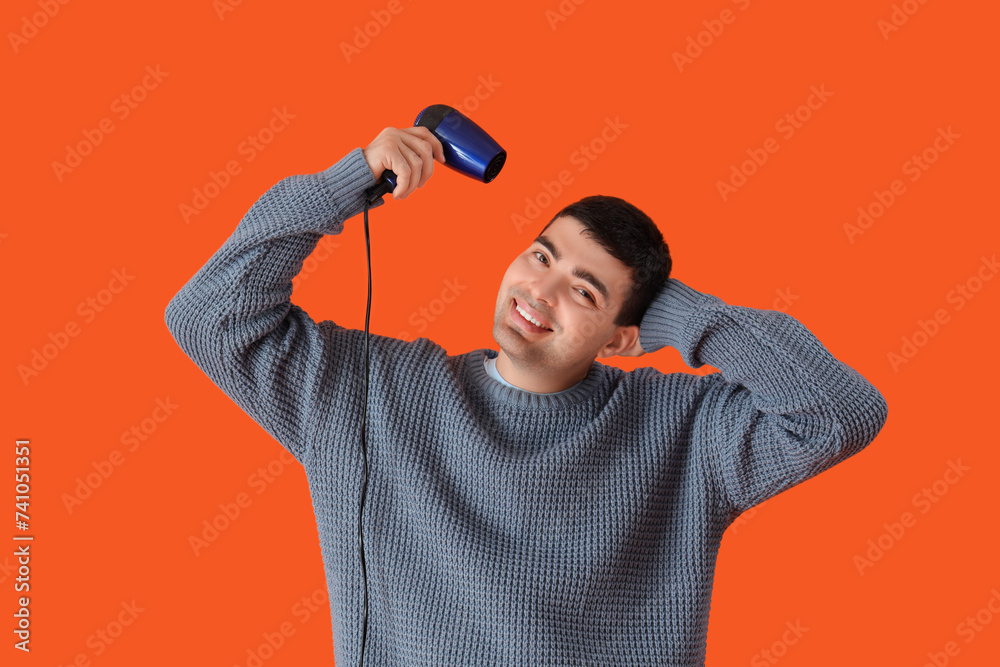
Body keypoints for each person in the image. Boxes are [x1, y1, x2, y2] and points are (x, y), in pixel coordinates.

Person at [164, 126, 888, 666]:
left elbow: (839, 412)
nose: (538, 291)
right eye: (541, 255)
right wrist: (346, 182)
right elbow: (208, 318)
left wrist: (677, 314)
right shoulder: (370, 393)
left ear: (622, 335)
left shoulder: (682, 431)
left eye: (583, 290)